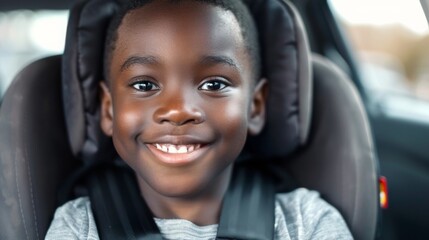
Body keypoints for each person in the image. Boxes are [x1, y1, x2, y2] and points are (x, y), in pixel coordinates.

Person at [46, 0, 353, 239]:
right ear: (109, 110)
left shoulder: (305, 222)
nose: (178, 110)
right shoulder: (78, 227)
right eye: (144, 85)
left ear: (256, 107)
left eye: (214, 85)